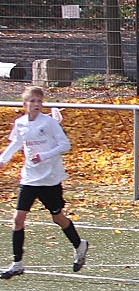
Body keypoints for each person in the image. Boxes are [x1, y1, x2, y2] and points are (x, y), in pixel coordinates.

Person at [0, 86, 86, 278]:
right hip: (29, 178)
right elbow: (16, 143)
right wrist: (3, 160)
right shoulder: (20, 123)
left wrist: (44, 156)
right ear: (25, 104)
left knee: (58, 217)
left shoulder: (49, 123)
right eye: (32, 101)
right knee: (18, 219)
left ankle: (79, 245)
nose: (36, 104)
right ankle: (17, 263)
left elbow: (65, 145)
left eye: (39, 101)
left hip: (50, 179)